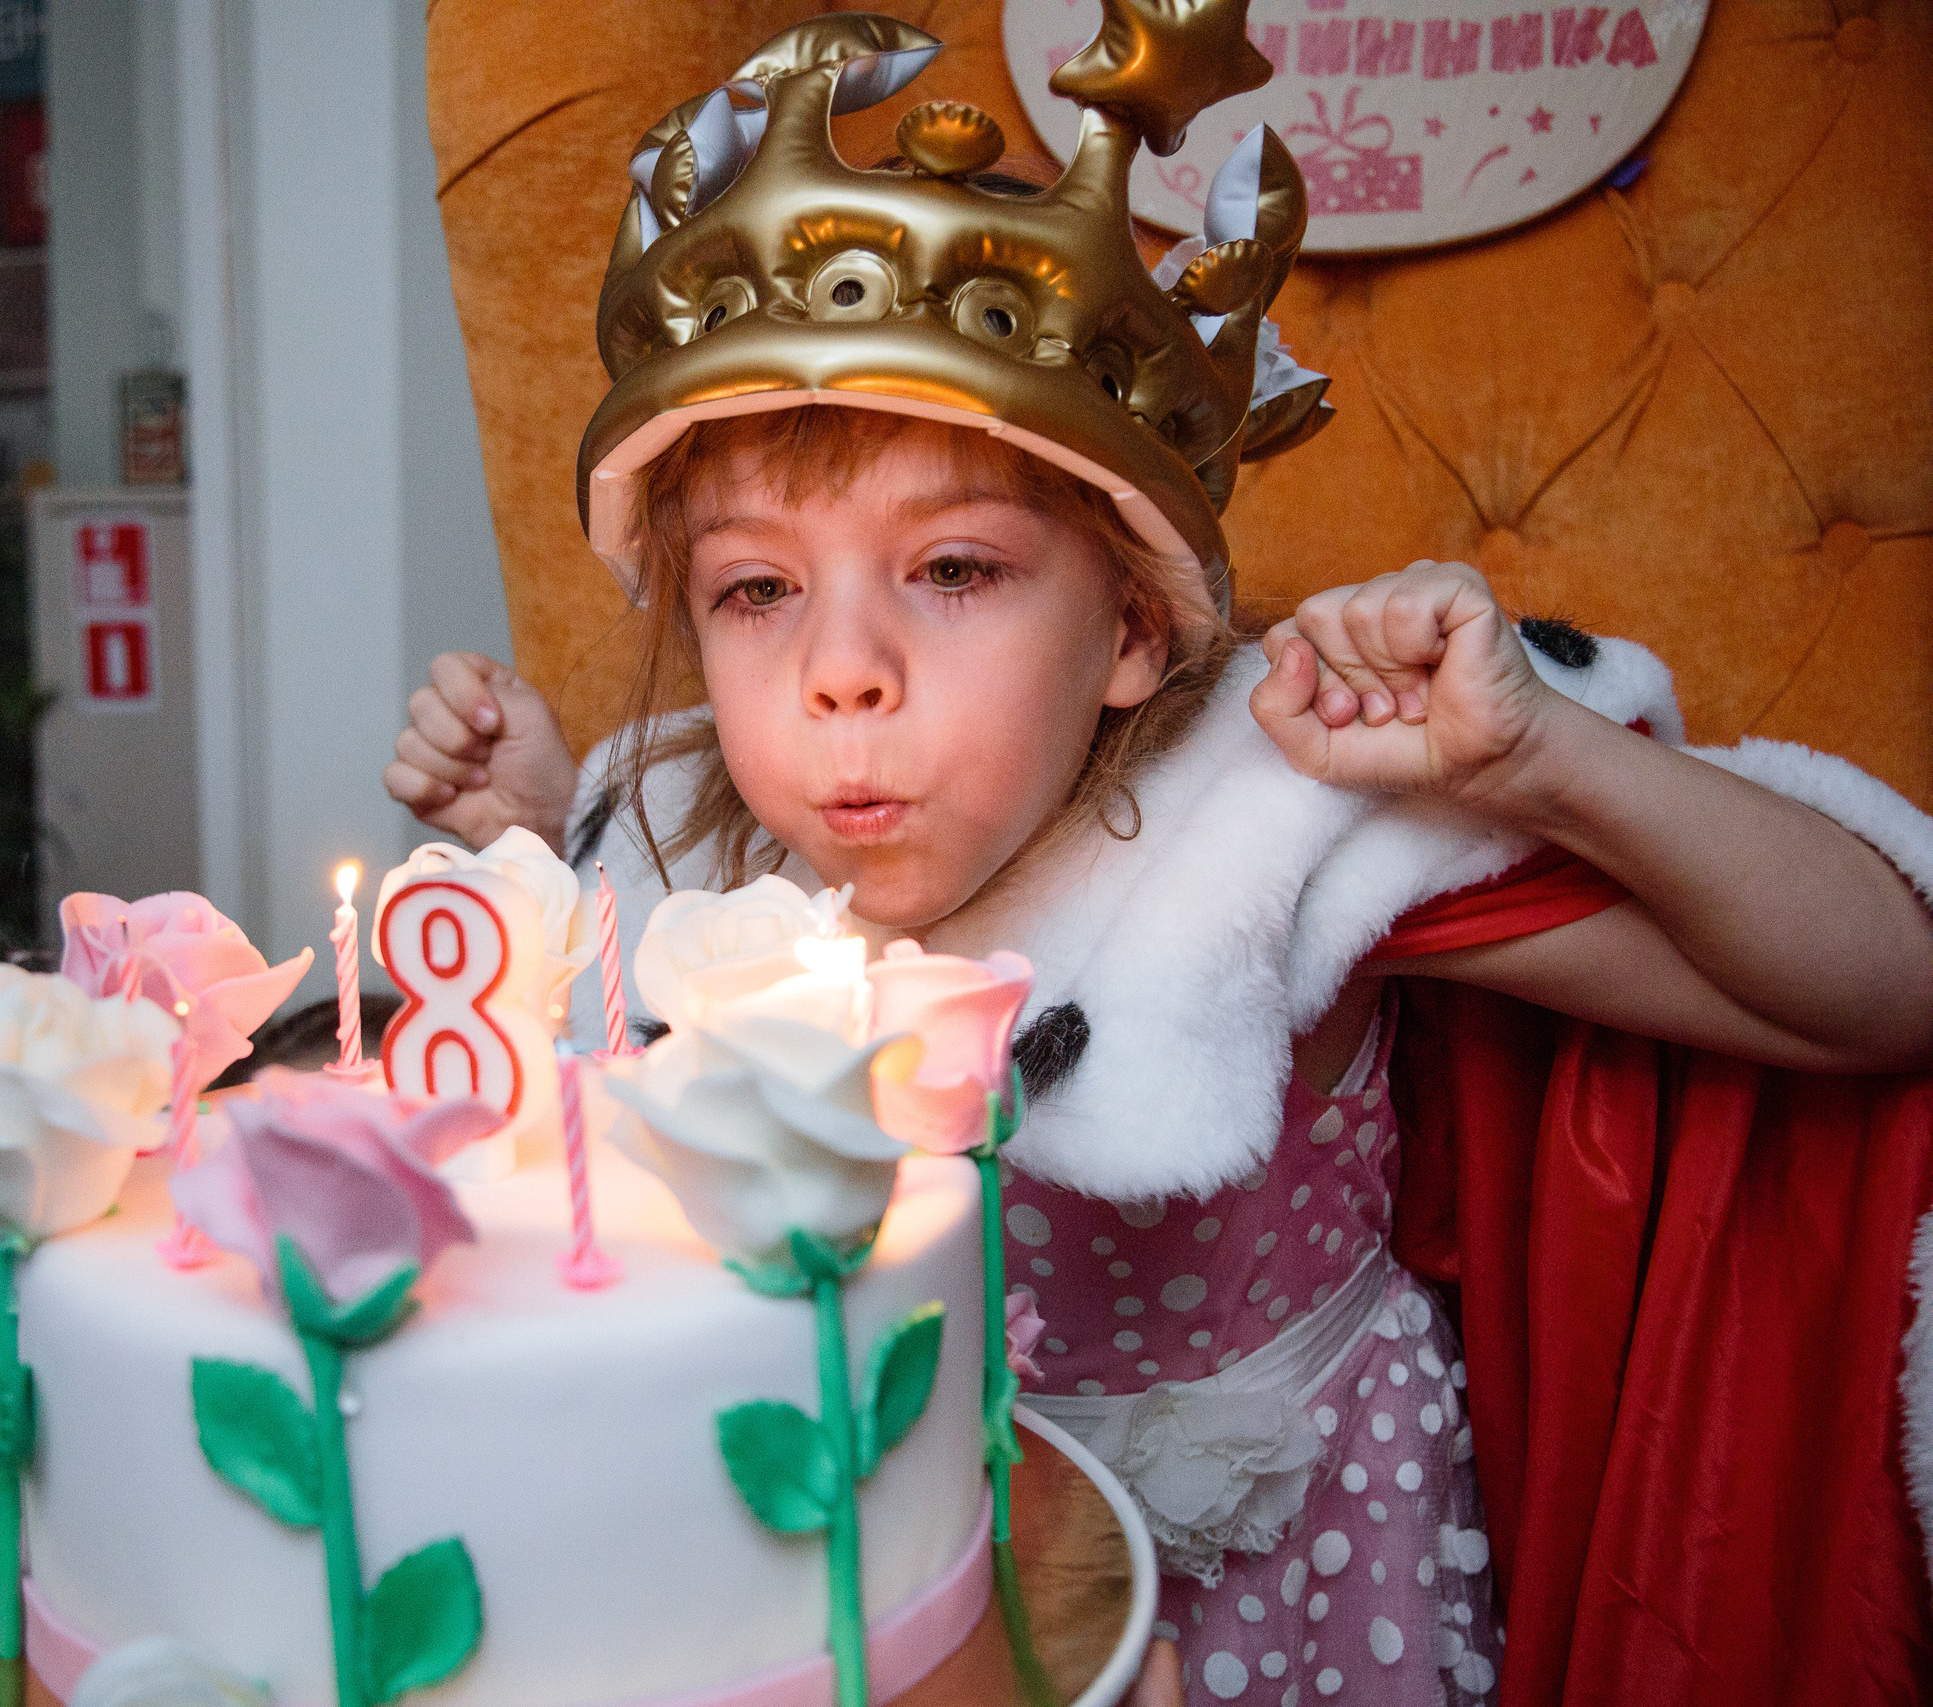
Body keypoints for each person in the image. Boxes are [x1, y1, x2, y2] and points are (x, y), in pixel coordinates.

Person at [384, 13, 1933, 1703]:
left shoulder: (1261, 828)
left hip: (1289, 1600)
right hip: (879, 1614)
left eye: (955, 569)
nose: (842, 667)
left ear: (1130, 627)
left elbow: (1884, 991)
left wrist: (1538, 762)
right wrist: (542, 843)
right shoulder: (676, 831)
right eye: (758, 587)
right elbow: (601, 1175)